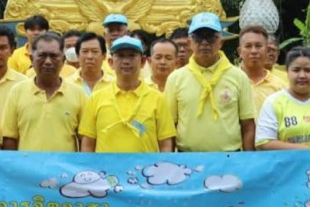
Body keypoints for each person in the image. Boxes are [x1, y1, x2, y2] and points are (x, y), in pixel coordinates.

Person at [165, 13, 255, 152]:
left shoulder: (239, 77)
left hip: (230, 157)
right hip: (187, 158)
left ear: (221, 42)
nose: (205, 43)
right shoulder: (175, 78)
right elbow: (170, 125)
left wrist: (248, 160)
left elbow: (247, 125)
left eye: (211, 37)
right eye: (198, 37)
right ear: (189, 42)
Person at [80, 37, 175, 153]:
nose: (126, 61)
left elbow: (165, 144)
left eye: (132, 56)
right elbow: (87, 145)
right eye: (120, 56)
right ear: (111, 63)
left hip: (145, 165)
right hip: (106, 165)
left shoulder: (158, 99)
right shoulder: (96, 98)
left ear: (142, 62)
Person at [2, 33, 87, 152]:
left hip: (64, 165)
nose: (48, 62)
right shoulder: (17, 91)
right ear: (31, 59)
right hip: (27, 164)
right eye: (42, 56)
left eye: (54, 56)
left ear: (63, 60)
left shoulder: (78, 93)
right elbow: (9, 138)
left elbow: (84, 139)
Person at [255, 47, 310, 150]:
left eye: (308, 70)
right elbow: (265, 142)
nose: (302, 75)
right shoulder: (273, 102)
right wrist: (304, 149)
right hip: (286, 160)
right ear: (287, 71)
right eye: (296, 70)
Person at [237, 25, 286, 107]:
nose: (253, 51)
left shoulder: (280, 86)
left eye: (258, 46)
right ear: (240, 52)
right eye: (248, 46)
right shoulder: (230, 81)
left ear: (266, 50)